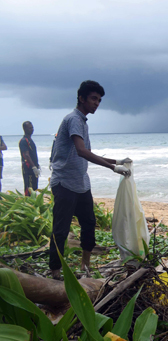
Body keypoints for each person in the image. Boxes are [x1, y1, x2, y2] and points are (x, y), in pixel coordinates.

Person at [49, 80, 131, 279]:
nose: (97, 103)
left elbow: (87, 152)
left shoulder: (82, 122)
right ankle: (55, 271)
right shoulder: (73, 119)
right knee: (61, 229)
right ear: (81, 98)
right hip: (65, 183)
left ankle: (85, 265)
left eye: (99, 100)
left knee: (88, 223)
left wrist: (117, 160)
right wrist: (113, 167)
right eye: (94, 98)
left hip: (81, 183)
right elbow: (81, 151)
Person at [19, 121, 40, 196]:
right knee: (29, 187)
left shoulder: (30, 140)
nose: (32, 129)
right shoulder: (24, 141)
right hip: (28, 168)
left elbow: (33, 154)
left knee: (34, 187)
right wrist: (33, 167)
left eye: (32, 128)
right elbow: (26, 155)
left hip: (33, 166)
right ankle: (28, 202)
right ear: (25, 129)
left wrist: (37, 165)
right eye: (30, 128)